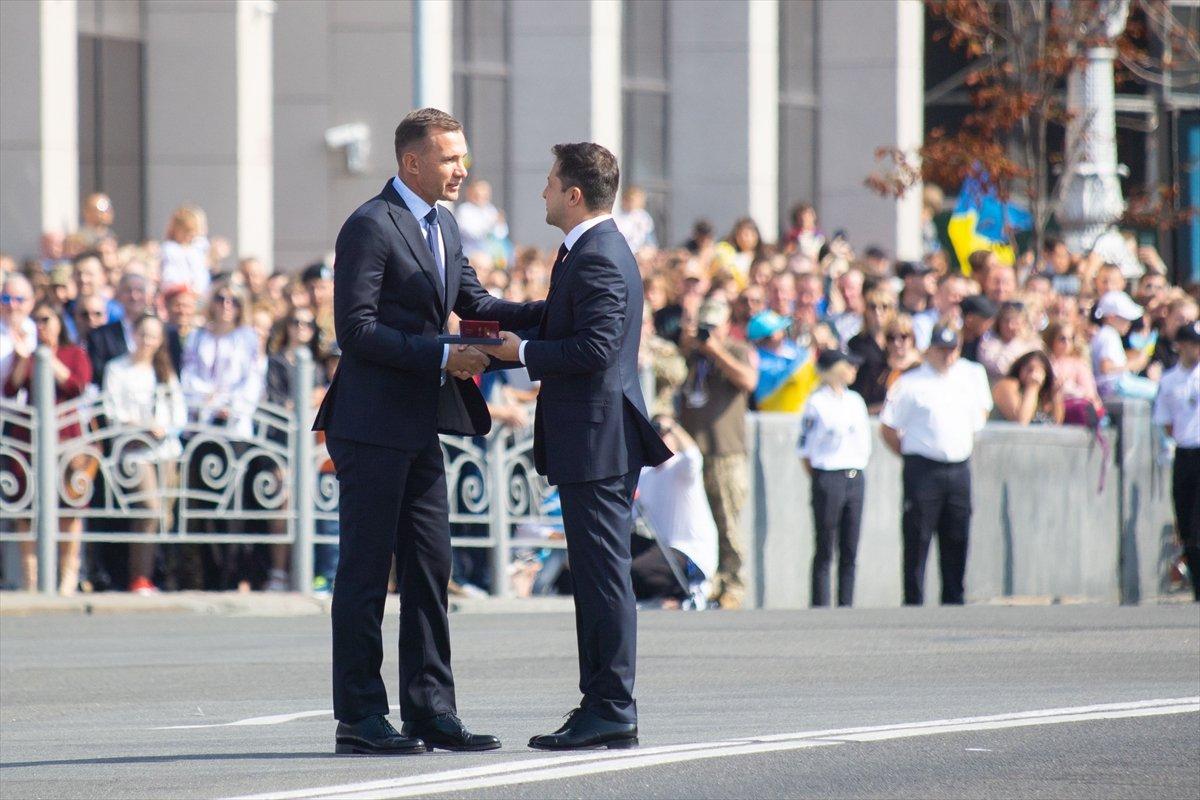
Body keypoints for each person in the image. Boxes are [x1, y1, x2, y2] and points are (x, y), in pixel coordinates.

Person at [312, 108, 546, 756]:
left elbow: (477, 304)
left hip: (418, 425)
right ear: (411, 162)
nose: (462, 169)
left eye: (462, 156)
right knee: (365, 573)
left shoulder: (443, 224)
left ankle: (430, 711)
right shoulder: (369, 225)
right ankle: (360, 716)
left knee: (428, 567)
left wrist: (564, 306)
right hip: (368, 424)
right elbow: (354, 331)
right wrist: (443, 355)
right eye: (449, 158)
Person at [479, 141, 671, 751]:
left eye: (549, 180)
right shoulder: (586, 251)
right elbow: (553, 316)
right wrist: (482, 312)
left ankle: (612, 704)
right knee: (593, 576)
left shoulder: (599, 255)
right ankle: (600, 702)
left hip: (598, 438)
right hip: (590, 437)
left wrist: (520, 353)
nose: (541, 190)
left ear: (574, 194)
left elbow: (591, 349)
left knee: (603, 576)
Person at [880, 325, 993, 605]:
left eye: (951, 349)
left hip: (958, 467)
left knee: (957, 538)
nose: (947, 355)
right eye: (941, 349)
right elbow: (889, 427)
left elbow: (982, 411)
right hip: (923, 468)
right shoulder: (911, 382)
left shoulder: (969, 376)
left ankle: (954, 601)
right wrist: (909, 454)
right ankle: (914, 601)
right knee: (917, 539)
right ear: (929, 350)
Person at [3, 303, 92, 594]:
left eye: (46, 320)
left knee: (69, 508)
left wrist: (48, 358)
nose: (40, 326)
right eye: (36, 321)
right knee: (27, 510)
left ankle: (67, 578)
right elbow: (11, 388)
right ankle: (32, 581)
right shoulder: (28, 354)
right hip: (30, 439)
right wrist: (23, 356)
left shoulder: (73, 353)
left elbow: (77, 385)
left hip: (66, 437)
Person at [679, 301, 759, 609]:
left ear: (727, 326)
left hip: (726, 453)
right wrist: (688, 345)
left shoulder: (736, 350)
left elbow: (749, 381)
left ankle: (733, 584)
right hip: (693, 453)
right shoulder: (691, 354)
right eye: (705, 326)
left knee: (727, 523)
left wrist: (716, 351)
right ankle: (707, 580)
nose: (708, 333)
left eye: (715, 326)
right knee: (698, 522)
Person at [101, 315, 187, 594]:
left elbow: (179, 414)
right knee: (148, 508)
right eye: (143, 334)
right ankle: (139, 576)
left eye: (154, 336)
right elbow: (113, 413)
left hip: (165, 450)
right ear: (133, 335)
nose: (147, 341)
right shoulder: (117, 369)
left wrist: (163, 428)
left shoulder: (163, 370)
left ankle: (156, 575)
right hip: (134, 451)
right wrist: (141, 427)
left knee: (163, 516)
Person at [799, 350, 870, 607]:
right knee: (825, 547)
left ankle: (846, 604)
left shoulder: (855, 401)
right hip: (829, 475)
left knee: (850, 548)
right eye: (848, 365)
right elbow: (805, 449)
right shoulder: (816, 403)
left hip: (855, 475)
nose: (853, 370)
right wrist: (822, 479)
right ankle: (821, 606)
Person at [633, 418, 718, 603]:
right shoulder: (645, 475)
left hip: (690, 553)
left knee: (637, 571)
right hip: (662, 548)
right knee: (609, 558)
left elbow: (694, 457)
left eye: (664, 435)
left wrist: (673, 426)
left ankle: (685, 592)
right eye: (654, 435)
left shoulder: (680, 467)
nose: (659, 439)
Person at [1153, 321, 1200, 602]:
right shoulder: (1170, 380)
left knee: (1197, 523)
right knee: (1185, 522)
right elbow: (1166, 423)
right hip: (1184, 453)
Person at [1091, 290, 1156, 401]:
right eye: (1125, 319)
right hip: (1114, 387)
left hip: (1116, 385)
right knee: (1159, 391)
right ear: (1111, 317)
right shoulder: (1108, 334)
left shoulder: (1107, 333)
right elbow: (1106, 367)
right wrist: (1135, 364)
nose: (1129, 323)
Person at [993, 350, 1065, 425]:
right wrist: (1032, 387)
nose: (1034, 374)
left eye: (1039, 371)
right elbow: (1020, 423)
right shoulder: (1007, 385)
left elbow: (1056, 425)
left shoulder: (1043, 395)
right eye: (1030, 369)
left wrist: (1056, 396)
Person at [159, 205, 211, 296]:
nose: (191, 235)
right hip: (180, 294)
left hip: (200, 295)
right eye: (188, 231)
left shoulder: (197, 249)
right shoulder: (170, 249)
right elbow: (170, 277)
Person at [2, 272, 36, 386]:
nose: (12, 305)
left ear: (31, 302)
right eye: (6, 298)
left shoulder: (37, 329)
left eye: (19, 299)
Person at [613, 185, 658, 253]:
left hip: (640, 254)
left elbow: (650, 242)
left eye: (635, 200)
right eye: (630, 200)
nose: (632, 203)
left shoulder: (644, 218)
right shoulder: (617, 217)